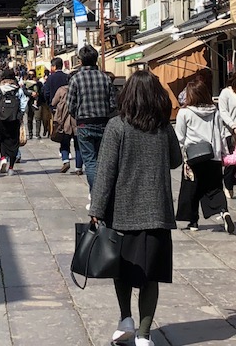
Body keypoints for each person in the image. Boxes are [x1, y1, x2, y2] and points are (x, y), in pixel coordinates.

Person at [89, 70, 182, 346]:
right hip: (157, 211)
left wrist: (96, 208)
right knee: (151, 274)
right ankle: (144, 334)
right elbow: (175, 160)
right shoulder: (164, 127)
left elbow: (105, 172)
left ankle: (125, 318)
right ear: (157, 96)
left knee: (122, 270)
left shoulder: (117, 126)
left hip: (123, 212)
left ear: (127, 95)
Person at [175, 80, 234, 233]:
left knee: (191, 189)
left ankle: (193, 222)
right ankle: (224, 211)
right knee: (214, 188)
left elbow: (180, 137)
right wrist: (224, 153)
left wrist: (183, 156)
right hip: (212, 156)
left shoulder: (184, 112)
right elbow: (221, 134)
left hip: (194, 157)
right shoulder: (214, 111)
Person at [66, 45, 117, 195]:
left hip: (84, 123)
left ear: (80, 61)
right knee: (102, 161)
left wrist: (79, 115)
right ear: (96, 60)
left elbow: (70, 105)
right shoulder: (105, 78)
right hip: (103, 123)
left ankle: (96, 194)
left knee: (90, 162)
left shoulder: (75, 79)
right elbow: (113, 104)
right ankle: (103, 194)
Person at [0, 68, 28, 175]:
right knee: (14, 142)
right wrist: (20, 114)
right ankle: (11, 168)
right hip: (14, 118)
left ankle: (3, 158)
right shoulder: (18, 90)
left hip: (1, 118)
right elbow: (24, 104)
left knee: (2, 140)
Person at [51, 79, 83, 174]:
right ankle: (78, 168)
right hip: (77, 121)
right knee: (78, 146)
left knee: (64, 143)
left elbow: (53, 102)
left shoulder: (61, 90)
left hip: (64, 122)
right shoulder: (80, 89)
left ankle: (66, 161)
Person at [217, 73, 236, 199]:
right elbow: (222, 112)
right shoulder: (226, 93)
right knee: (232, 162)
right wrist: (233, 125)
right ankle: (228, 185)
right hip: (230, 132)